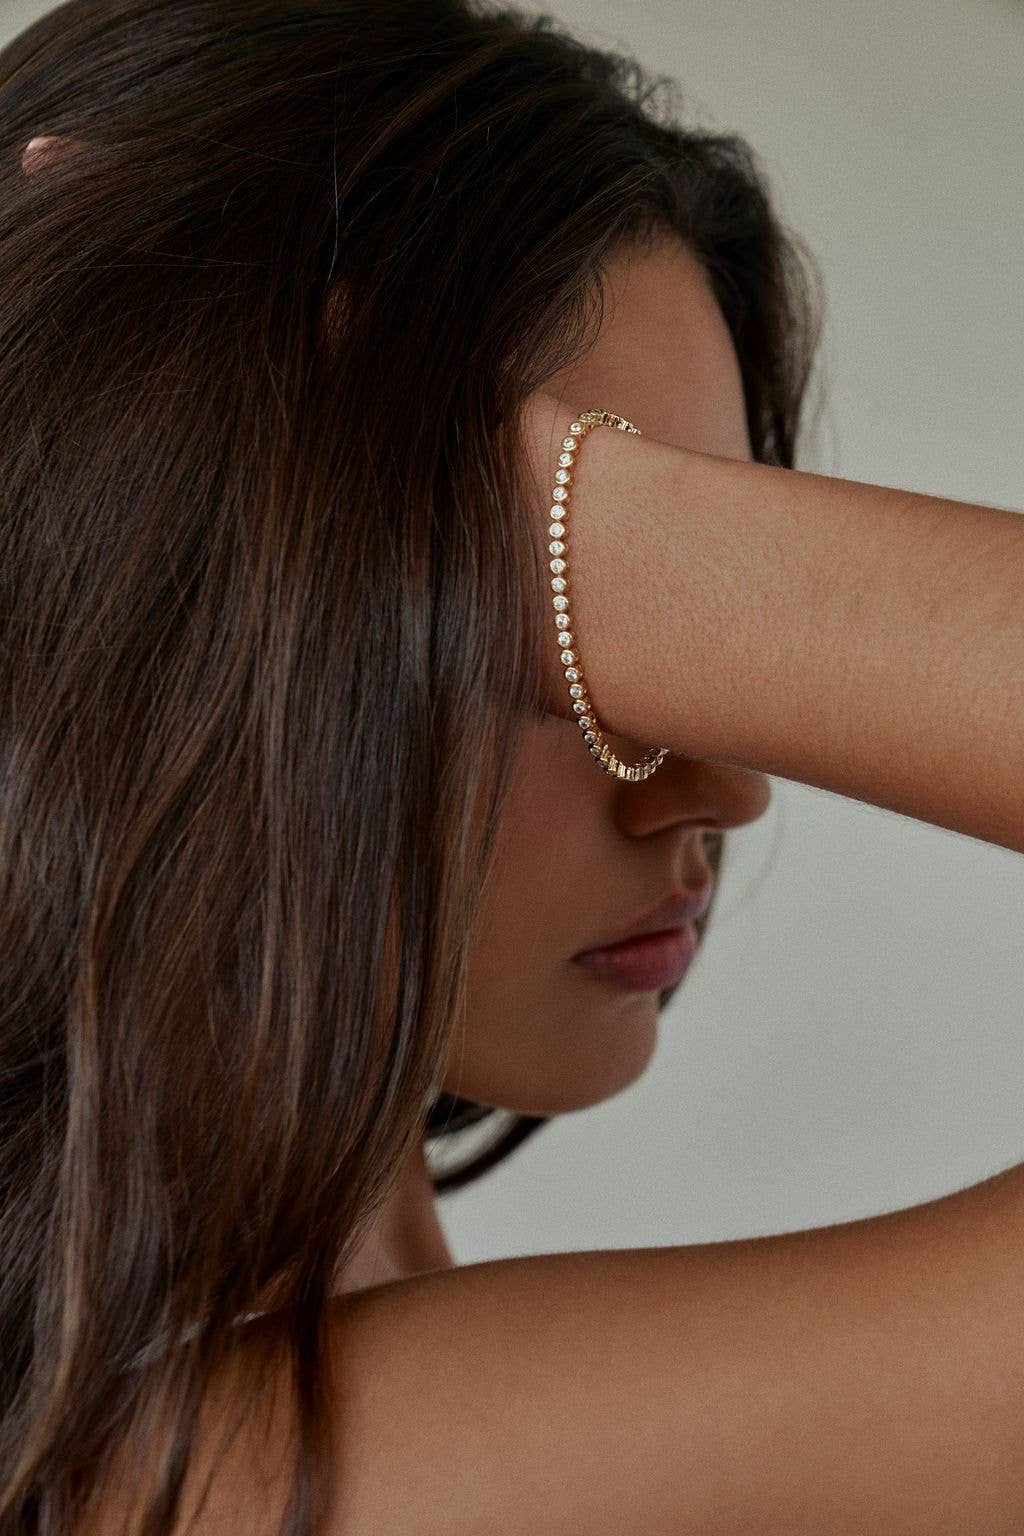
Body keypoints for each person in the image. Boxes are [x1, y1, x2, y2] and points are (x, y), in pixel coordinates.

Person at [0, 2, 1021, 1533]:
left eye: (742, 543)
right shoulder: (212, 1486)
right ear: (142, 610)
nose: (725, 788)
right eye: (534, 632)